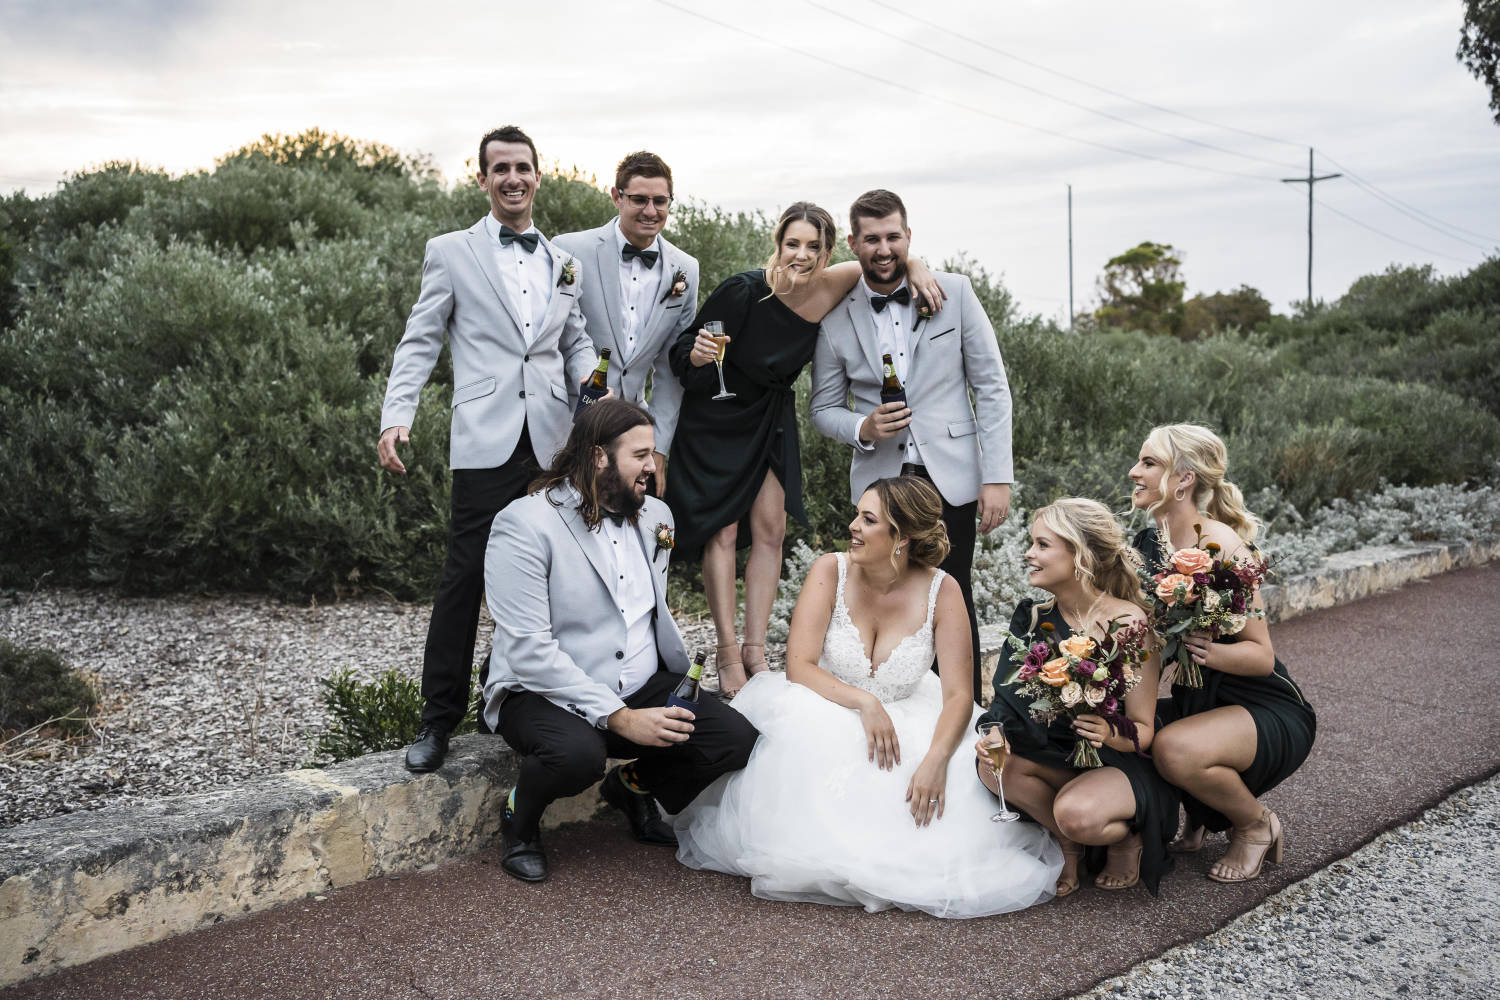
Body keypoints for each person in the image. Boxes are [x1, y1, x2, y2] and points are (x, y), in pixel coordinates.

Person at [672, 476, 1061, 918]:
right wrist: (864, 702)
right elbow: (800, 665)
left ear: (902, 537)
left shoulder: (942, 590)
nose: (853, 526)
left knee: (941, 824)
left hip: (917, 714)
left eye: (868, 519)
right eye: (858, 513)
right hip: (825, 704)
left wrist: (935, 760)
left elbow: (958, 694)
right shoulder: (830, 570)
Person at [378, 125, 602, 773]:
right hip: (484, 439)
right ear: (482, 179)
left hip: (553, 444)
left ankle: (526, 704)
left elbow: (575, 340)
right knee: (464, 579)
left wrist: (595, 389)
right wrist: (398, 415)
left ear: (539, 175)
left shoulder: (564, 262)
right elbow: (419, 341)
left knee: (556, 577)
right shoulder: (450, 252)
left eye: (522, 168)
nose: (512, 178)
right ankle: (435, 720)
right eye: (499, 168)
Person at [665, 202, 945, 698]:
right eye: (793, 243)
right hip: (718, 418)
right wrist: (697, 352)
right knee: (724, 530)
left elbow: (884, 261)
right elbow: (687, 347)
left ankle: (756, 650)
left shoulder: (833, 285)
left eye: (814, 246)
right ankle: (728, 653)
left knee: (771, 531)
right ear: (778, 243)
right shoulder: (745, 290)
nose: (802, 254)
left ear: (828, 251)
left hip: (770, 418)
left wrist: (918, 265)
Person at [482, 400, 759, 882]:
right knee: (577, 756)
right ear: (598, 457)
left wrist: (652, 694)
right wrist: (621, 718)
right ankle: (519, 820)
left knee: (734, 740)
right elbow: (528, 650)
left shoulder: (655, 515)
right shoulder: (523, 524)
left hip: (638, 680)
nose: (653, 467)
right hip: (543, 690)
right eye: (641, 455)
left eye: (653, 454)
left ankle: (632, 786)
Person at [811, 189, 1013, 705]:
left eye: (893, 237)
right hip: (880, 484)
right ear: (852, 243)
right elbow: (821, 410)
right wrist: (863, 427)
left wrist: (997, 477)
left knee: (953, 591)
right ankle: (894, 703)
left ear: (908, 237)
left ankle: (963, 716)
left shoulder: (956, 292)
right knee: (883, 594)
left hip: (953, 473)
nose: (883, 248)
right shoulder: (834, 318)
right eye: (872, 238)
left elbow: (991, 386)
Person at [1128, 423, 1316, 883]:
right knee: (1134, 734)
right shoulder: (1147, 545)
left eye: (1149, 463)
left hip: (1262, 707)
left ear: (1184, 478)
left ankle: (1254, 826)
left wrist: (1207, 652)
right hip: (1202, 704)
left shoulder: (1225, 546)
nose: (1135, 472)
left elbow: (1261, 657)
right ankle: (1201, 818)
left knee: (1173, 748)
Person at [978, 499, 1179, 897]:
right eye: (1031, 544)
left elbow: (1143, 729)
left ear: (1079, 554)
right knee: (992, 768)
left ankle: (1123, 838)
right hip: (1055, 753)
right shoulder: (1033, 616)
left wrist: (1107, 731)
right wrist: (993, 737)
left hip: (1115, 759)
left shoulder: (1128, 623)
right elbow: (1005, 696)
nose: (1028, 554)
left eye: (1042, 545)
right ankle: (1066, 842)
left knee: (1076, 813)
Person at [552, 151, 699, 496]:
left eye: (660, 201)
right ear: (617, 197)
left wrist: (657, 447)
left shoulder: (686, 269)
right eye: (639, 199)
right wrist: (591, 386)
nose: (651, 211)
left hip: (635, 435)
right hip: (569, 423)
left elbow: (670, 369)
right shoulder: (569, 250)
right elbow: (563, 332)